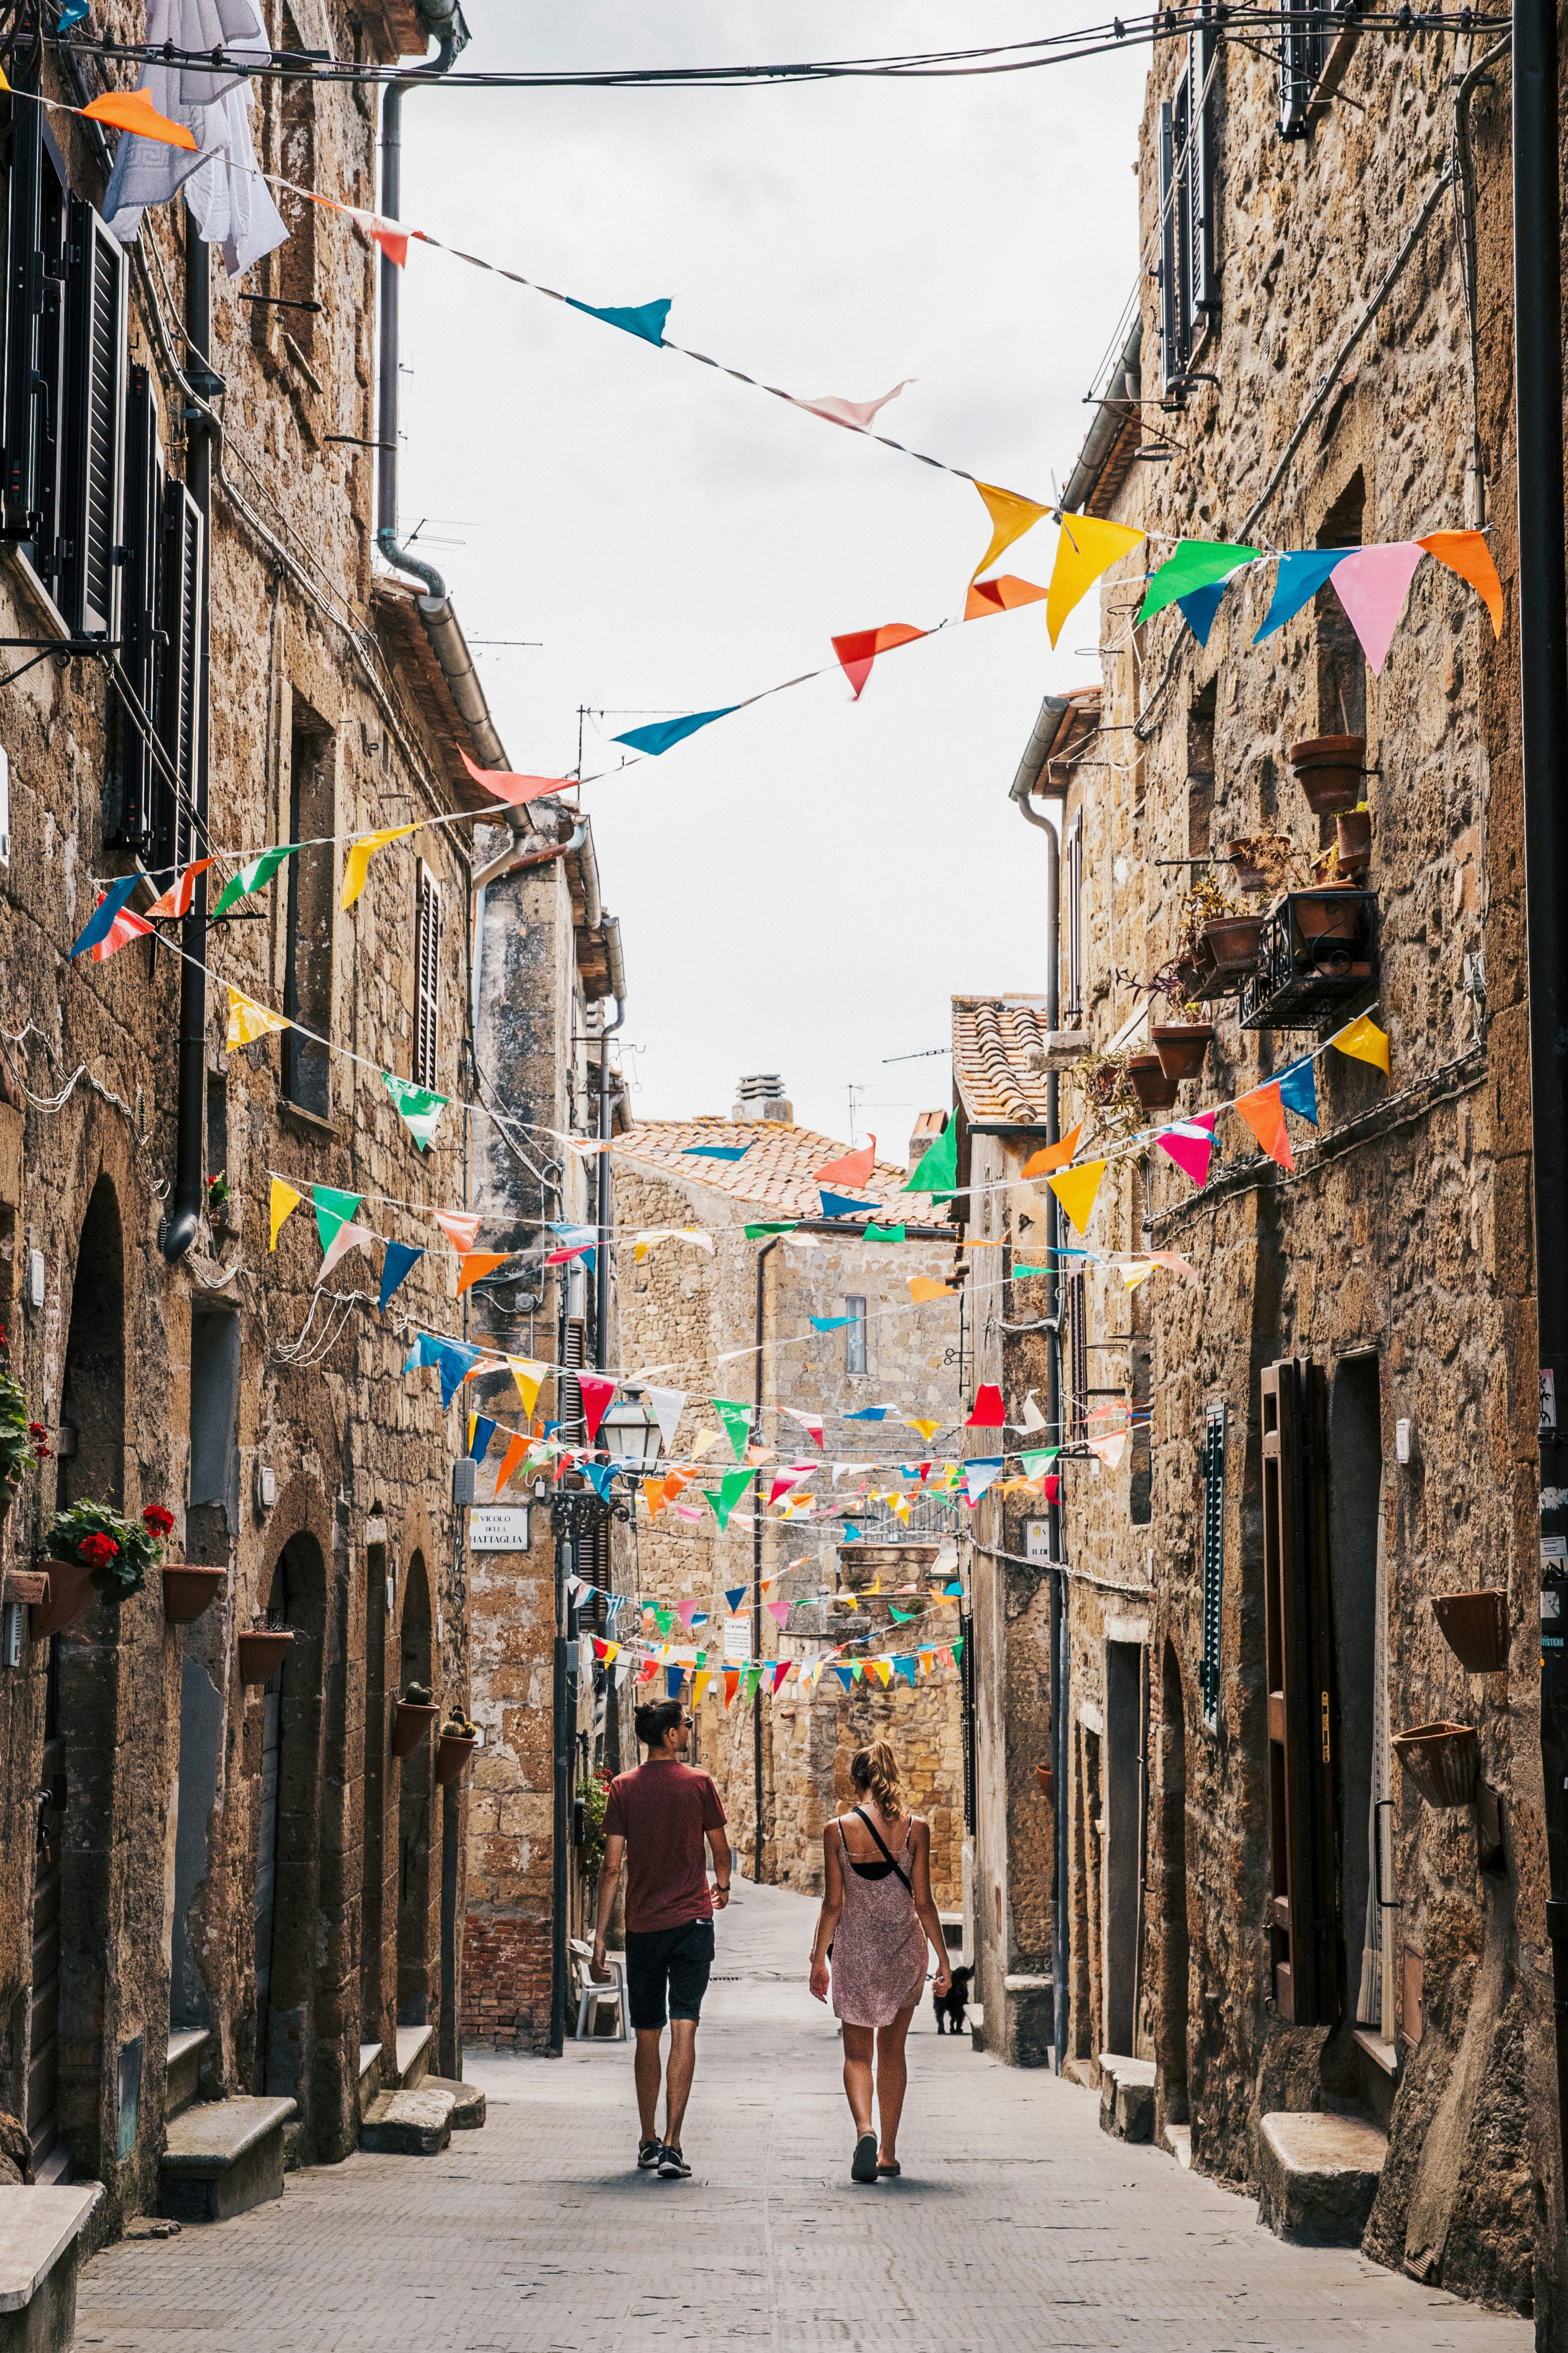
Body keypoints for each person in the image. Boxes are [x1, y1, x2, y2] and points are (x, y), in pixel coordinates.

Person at [592, 1696, 731, 2180]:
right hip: (692, 1923)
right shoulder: (699, 1783)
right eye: (686, 1725)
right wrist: (722, 1886)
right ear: (670, 1735)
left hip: (643, 1927)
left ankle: (647, 2139)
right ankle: (673, 2143)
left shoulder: (622, 1788)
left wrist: (599, 1937)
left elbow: (612, 1868)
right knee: (684, 2027)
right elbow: (720, 1850)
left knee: (647, 2033)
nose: (689, 1730)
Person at [808, 1739, 951, 2183]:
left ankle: (864, 2130)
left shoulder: (836, 1830)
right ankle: (887, 2153)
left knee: (857, 2055)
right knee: (893, 2053)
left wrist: (818, 1960)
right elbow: (924, 1903)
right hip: (903, 1951)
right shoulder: (915, 1830)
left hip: (854, 1952)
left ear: (857, 1781)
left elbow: (833, 1904)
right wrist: (943, 1961)